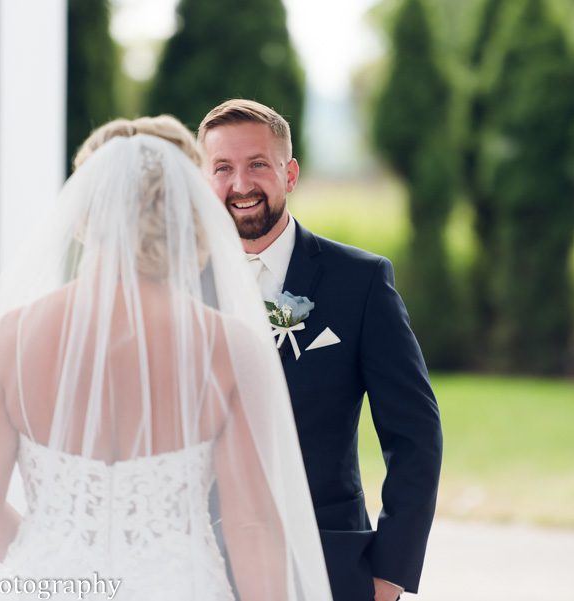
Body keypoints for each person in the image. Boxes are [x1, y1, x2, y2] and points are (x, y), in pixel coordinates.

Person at [0, 116, 332, 601]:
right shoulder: (231, 349)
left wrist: (57, 559)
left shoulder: (10, 338)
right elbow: (252, 524)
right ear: (187, 210)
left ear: (86, 211)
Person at [198, 99, 443, 601]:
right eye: (223, 168)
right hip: (203, 566)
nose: (241, 185)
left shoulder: (361, 282)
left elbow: (415, 435)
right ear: (204, 181)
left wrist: (389, 573)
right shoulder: (177, 286)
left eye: (258, 165)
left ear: (289, 174)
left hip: (329, 565)